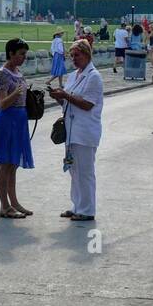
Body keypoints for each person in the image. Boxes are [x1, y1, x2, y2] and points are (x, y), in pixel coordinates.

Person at [50, 39, 104, 221]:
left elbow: (88, 104)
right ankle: (77, 205)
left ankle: (87, 209)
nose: (74, 59)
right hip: (72, 129)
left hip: (85, 130)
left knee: (85, 171)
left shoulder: (94, 76)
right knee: (74, 170)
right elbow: (68, 102)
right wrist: (59, 97)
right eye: (71, 56)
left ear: (87, 54)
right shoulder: (74, 76)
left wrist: (65, 95)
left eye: (77, 55)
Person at [0, 37, 34, 218]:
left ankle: (14, 202)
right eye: (21, 54)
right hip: (7, 120)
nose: (24, 57)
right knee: (5, 165)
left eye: (25, 54)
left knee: (13, 164)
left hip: (19, 120)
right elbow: (2, 103)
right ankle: (4, 206)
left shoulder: (18, 71)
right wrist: (16, 93)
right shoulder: (3, 73)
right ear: (11, 54)